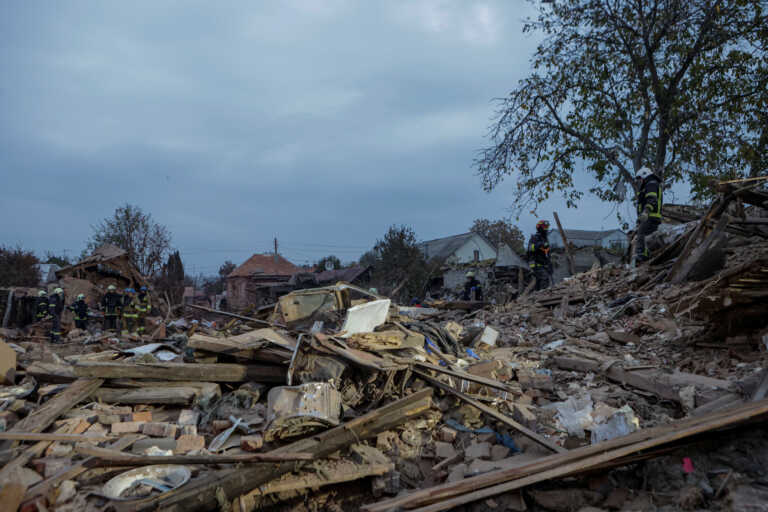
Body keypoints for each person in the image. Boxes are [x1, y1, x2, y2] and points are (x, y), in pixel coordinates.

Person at [635, 166, 663, 262]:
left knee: (641, 234)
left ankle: (642, 256)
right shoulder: (650, 185)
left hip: (651, 216)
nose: (640, 181)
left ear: (645, 176)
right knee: (649, 237)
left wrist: (646, 212)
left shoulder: (651, 184)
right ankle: (650, 256)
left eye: (640, 179)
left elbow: (652, 200)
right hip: (650, 217)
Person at [527, 220, 553, 291]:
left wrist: (550, 264)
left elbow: (547, 253)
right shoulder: (535, 238)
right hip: (535, 264)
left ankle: (537, 296)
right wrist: (539, 244)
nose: (546, 229)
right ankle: (542, 295)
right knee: (544, 278)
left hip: (543, 264)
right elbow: (530, 248)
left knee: (540, 282)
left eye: (547, 227)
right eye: (545, 227)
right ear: (539, 227)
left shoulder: (545, 239)